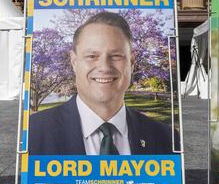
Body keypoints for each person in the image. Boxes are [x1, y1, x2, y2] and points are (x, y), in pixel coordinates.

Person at [29, 11, 178, 155]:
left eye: (116, 56)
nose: (105, 67)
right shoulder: (33, 133)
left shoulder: (166, 138)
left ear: (131, 62)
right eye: (92, 56)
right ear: (74, 62)